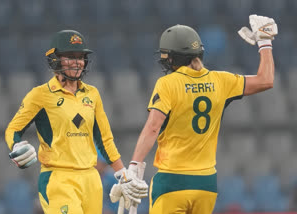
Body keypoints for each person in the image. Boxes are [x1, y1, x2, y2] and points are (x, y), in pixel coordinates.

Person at [110, 15, 278, 214]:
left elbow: (153, 126)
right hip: (206, 183)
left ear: (175, 57)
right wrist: (265, 42)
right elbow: (266, 80)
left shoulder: (168, 83)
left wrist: (134, 165)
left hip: (172, 180)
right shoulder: (221, 80)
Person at [5, 30, 144, 214]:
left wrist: (122, 174)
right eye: (70, 56)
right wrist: (15, 145)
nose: (77, 62)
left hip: (91, 180)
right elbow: (13, 129)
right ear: (56, 59)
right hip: (58, 179)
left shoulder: (92, 94)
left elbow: (105, 139)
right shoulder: (40, 95)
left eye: (80, 57)